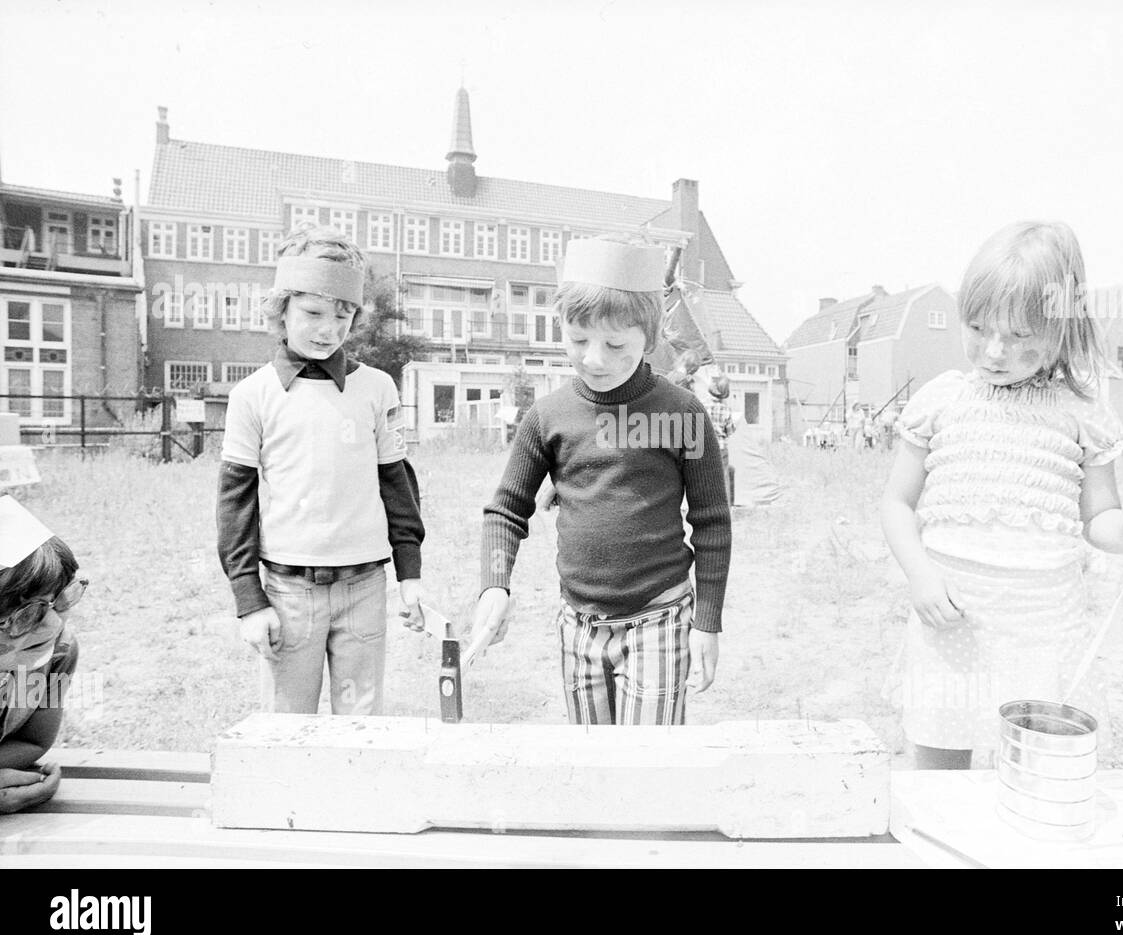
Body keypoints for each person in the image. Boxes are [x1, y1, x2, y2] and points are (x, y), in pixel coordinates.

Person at [880, 221, 1123, 770]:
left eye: (1020, 337)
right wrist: (920, 574)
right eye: (977, 327)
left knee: (1040, 761)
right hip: (952, 612)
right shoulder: (941, 400)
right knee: (940, 755)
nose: (994, 351)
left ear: (1061, 329)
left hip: (1042, 620)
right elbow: (897, 504)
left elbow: (1102, 515)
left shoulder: (1083, 413)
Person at [473, 236, 731, 725]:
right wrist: (493, 584)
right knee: (590, 765)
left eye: (615, 344)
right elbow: (505, 511)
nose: (594, 358)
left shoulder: (684, 413)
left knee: (647, 766)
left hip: (660, 620)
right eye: (578, 340)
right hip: (580, 627)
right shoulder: (548, 417)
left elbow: (713, 522)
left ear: (649, 337)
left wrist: (708, 621)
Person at [218, 222, 425, 715]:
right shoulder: (253, 395)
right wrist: (249, 599)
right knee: (287, 730)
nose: (329, 329)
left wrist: (409, 571)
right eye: (313, 312)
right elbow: (235, 503)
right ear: (281, 310)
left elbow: (396, 483)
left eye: (343, 314)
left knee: (361, 728)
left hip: (365, 590)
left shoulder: (377, 389)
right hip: (288, 593)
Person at [0, 495, 84, 813]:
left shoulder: (58, 654)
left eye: (61, 598)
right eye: (26, 613)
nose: (53, 624)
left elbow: (33, 742)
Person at [706, 374, 736, 505]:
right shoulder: (726, 410)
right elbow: (729, 431)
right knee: (724, 477)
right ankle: (725, 507)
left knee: (706, 476)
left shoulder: (703, 406)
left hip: (707, 446)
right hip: (721, 446)